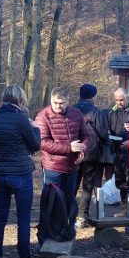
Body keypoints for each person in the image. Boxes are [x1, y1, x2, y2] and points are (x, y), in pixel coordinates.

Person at [0, 85, 41, 258]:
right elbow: (35, 145)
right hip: (20, 174)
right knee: (23, 219)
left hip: (0, 173)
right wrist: (36, 129)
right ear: (20, 100)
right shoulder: (21, 119)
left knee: (0, 217)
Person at [35, 87, 88, 230]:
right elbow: (43, 142)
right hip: (53, 167)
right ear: (51, 100)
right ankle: (48, 231)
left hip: (72, 165)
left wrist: (82, 150)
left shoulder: (76, 113)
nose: (58, 106)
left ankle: (67, 229)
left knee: (69, 199)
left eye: (62, 103)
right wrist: (69, 148)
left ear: (68, 101)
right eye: (55, 103)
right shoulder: (43, 116)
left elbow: (86, 136)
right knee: (51, 201)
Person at [73, 84, 111, 227]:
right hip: (91, 152)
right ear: (93, 97)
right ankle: (82, 217)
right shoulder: (96, 112)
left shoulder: (71, 109)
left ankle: (68, 215)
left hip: (73, 152)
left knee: (72, 184)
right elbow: (103, 134)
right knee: (87, 185)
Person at [109, 88, 129, 202]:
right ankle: (124, 205)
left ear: (128, 98)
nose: (119, 102)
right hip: (117, 152)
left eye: (121, 100)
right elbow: (110, 130)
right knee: (120, 180)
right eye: (117, 100)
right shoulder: (112, 112)